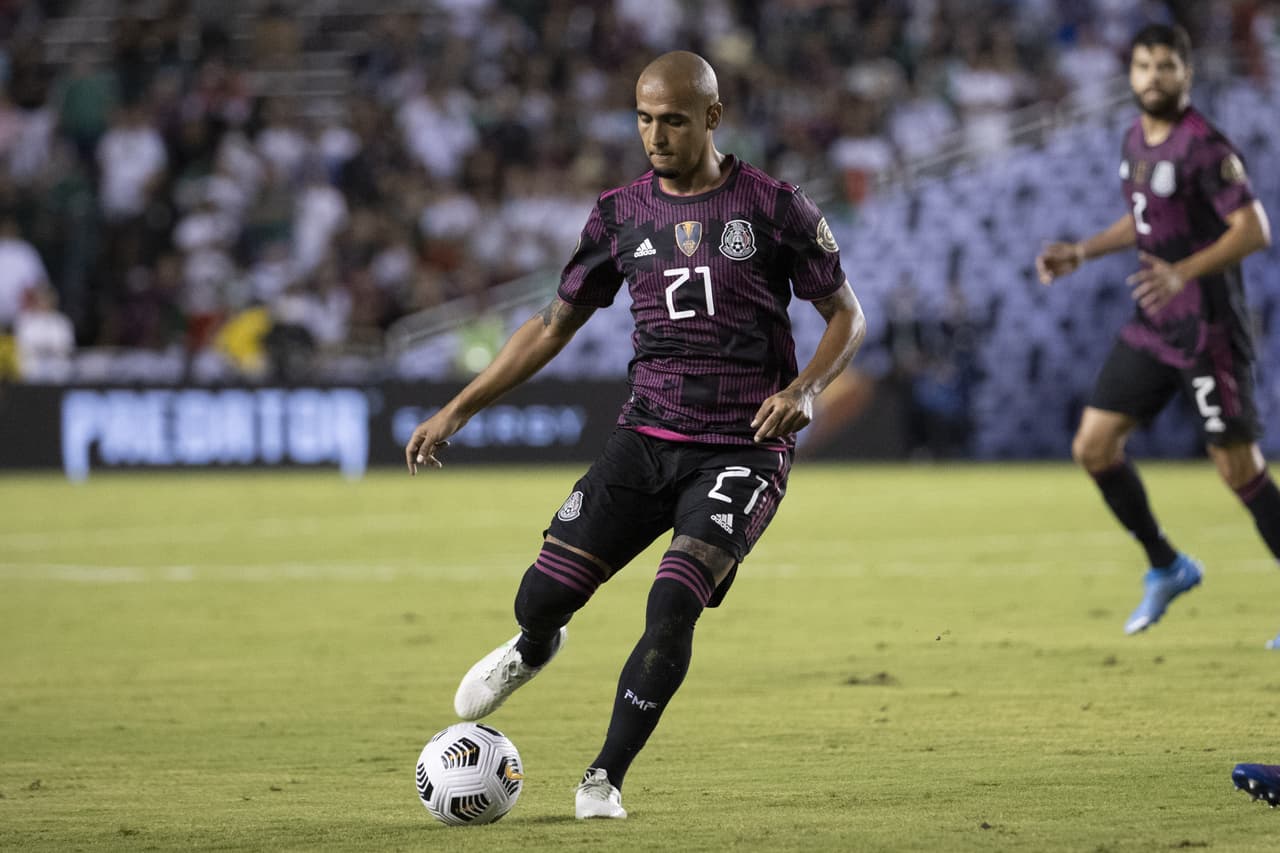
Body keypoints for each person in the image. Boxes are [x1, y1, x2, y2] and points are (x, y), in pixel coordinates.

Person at [404, 50, 865, 819]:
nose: (656, 134)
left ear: (712, 118)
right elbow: (552, 326)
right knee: (541, 595)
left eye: (674, 120)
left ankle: (603, 776)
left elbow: (849, 314)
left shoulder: (775, 206)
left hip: (741, 446)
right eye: (645, 119)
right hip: (645, 436)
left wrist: (804, 388)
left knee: (672, 604)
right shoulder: (619, 215)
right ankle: (534, 644)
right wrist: (459, 408)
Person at [1035, 24, 1274, 639]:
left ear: (1185, 74)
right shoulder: (1134, 139)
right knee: (1093, 446)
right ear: (1131, 74)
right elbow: (1144, 218)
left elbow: (1253, 230)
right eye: (1143, 66)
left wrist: (1183, 272)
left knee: (1238, 469)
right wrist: (1083, 252)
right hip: (1155, 324)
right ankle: (1167, 565)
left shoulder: (1205, 146)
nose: (1153, 77)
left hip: (1208, 330)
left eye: (1166, 66)